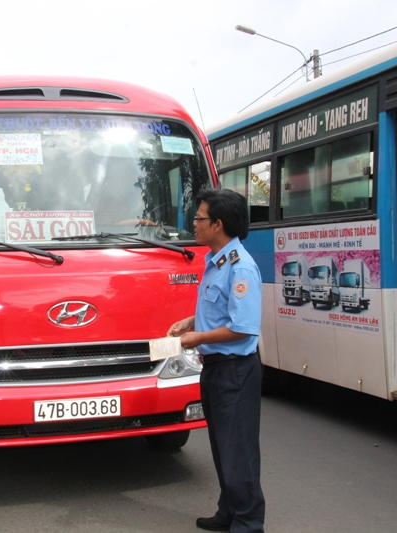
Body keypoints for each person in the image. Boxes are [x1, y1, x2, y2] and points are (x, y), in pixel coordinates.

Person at [167, 189, 265, 533]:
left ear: (218, 224)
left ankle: (249, 522)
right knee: (224, 449)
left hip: (235, 371)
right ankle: (229, 511)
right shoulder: (217, 260)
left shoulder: (241, 268)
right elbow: (219, 310)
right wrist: (190, 322)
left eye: (199, 218)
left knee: (238, 451)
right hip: (216, 369)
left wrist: (198, 338)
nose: (194, 224)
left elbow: (243, 328)